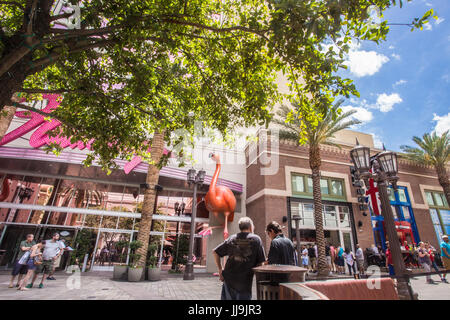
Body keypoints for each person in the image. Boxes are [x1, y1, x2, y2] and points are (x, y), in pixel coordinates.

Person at [213, 217, 266, 300]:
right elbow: (261, 262)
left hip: (228, 280)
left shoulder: (232, 238)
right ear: (250, 227)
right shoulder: (256, 239)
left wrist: (220, 269)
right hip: (244, 283)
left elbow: (215, 252)